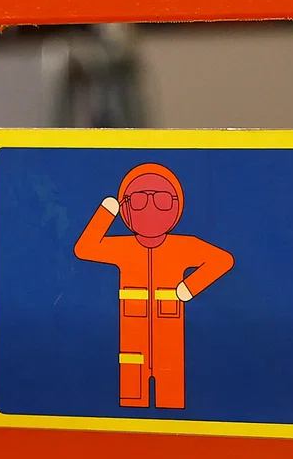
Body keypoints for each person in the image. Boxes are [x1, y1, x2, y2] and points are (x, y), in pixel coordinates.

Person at [74, 162, 234, 409]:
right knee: (131, 391)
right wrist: (107, 212)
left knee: (171, 387)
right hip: (132, 329)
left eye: (161, 199)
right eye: (138, 199)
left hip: (169, 327)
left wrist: (189, 288)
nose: (150, 206)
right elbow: (85, 248)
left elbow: (222, 260)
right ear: (126, 206)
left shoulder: (184, 246)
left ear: (176, 206)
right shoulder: (123, 248)